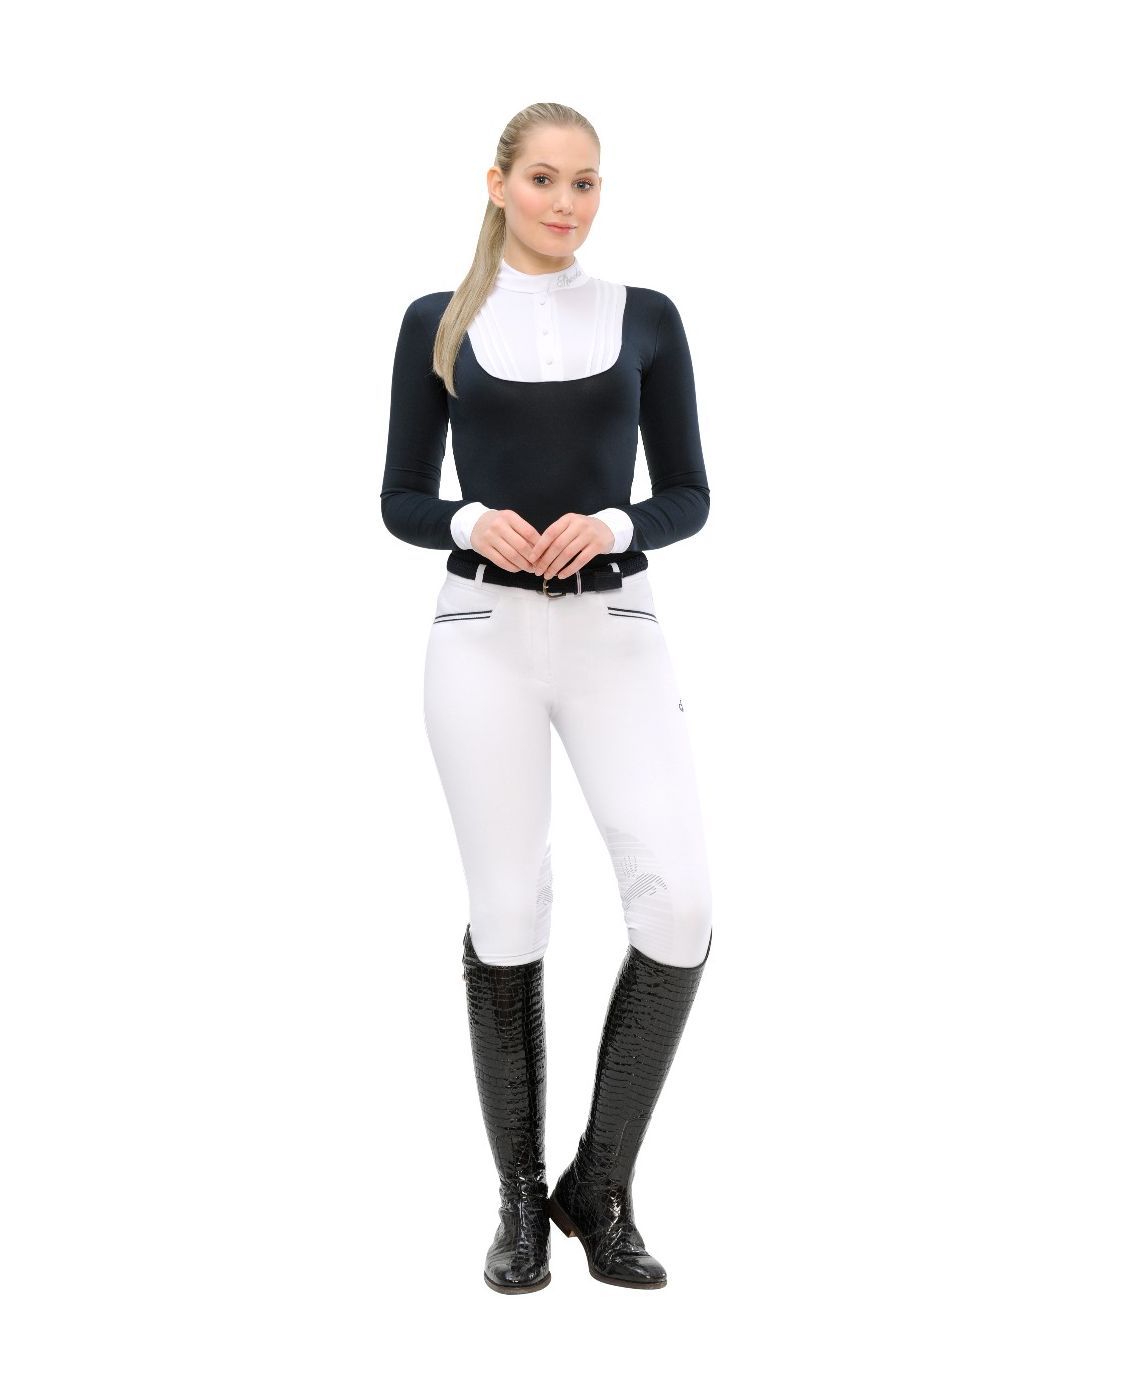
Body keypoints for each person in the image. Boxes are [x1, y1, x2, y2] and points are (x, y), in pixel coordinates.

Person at [379, 103, 714, 1293]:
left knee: (678, 903)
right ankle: (518, 1201)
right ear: (497, 183)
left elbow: (688, 493)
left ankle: (596, 1186)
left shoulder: (645, 316)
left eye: (585, 182)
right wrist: (469, 518)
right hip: (480, 638)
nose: (565, 203)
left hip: (615, 633)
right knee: (508, 906)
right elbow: (401, 498)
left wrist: (616, 521)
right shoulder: (437, 321)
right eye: (542, 180)